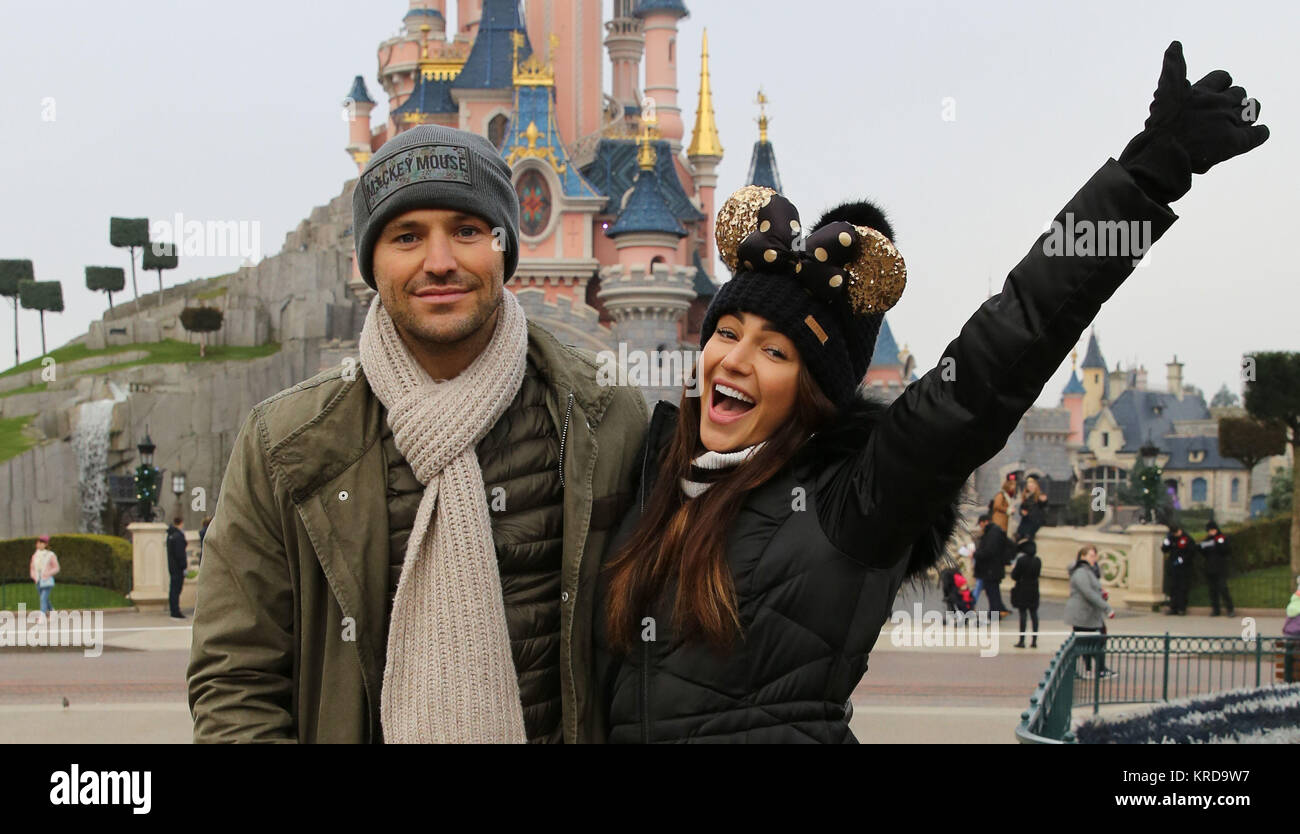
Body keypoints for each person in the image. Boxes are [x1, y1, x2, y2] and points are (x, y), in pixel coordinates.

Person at [595, 42, 1265, 742]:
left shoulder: (850, 501)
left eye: (775, 349)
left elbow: (998, 353)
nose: (734, 360)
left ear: (813, 389)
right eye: (726, 331)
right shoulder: (655, 472)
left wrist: (1143, 180)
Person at [187, 125, 648, 743]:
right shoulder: (286, 446)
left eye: (466, 230)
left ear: (505, 247)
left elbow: (659, 658)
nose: (440, 262)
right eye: (407, 236)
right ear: (368, 262)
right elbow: (235, 679)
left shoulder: (606, 420)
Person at [1064, 545, 1116, 679]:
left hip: (1089, 613)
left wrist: (1101, 594)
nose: (1094, 559)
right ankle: (1092, 669)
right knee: (1090, 642)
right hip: (1083, 614)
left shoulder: (1089, 571)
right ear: (1083, 557)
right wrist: (1107, 607)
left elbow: (1093, 590)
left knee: (1090, 641)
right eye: (1091, 556)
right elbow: (1088, 592)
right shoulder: (1081, 572)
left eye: (1095, 556)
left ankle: (1092, 669)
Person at [972, 513, 1012, 617]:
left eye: (981, 523)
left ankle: (995, 614)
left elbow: (989, 551)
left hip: (991, 569)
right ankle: (999, 610)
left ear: (985, 522)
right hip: (993, 568)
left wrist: (975, 554)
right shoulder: (995, 531)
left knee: (992, 592)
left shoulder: (992, 533)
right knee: (994, 590)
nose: (980, 526)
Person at [1199, 520, 1234, 616]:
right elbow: (1202, 550)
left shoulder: (1221, 538)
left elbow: (1226, 550)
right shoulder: (1207, 540)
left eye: (1211, 530)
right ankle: (1216, 609)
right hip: (1210, 568)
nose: (1210, 533)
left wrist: (1217, 544)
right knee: (1212, 590)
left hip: (1220, 567)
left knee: (1223, 589)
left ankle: (1230, 609)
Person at [1010, 539, 1041, 648]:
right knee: (1034, 614)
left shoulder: (1022, 560)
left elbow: (1014, 576)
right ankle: (1034, 640)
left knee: (1023, 614)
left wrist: (1014, 570)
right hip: (1034, 589)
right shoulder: (1038, 560)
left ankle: (1022, 640)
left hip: (1022, 588)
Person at [1162, 524, 1196, 615]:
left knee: (1182, 588)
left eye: (1176, 532)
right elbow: (1164, 549)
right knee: (1173, 588)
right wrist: (1166, 543)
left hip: (1184, 568)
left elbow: (1191, 552)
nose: (1175, 535)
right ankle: (1173, 608)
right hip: (1173, 566)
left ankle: (1182, 608)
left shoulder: (1187, 539)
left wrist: (1182, 560)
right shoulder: (1171, 538)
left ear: (1180, 530)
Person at [28, 534, 60, 616]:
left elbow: (56, 568)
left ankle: (42, 616)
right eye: (39, 543)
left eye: (42, 543)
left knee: (43, 598)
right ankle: (52, 611)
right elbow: (32, 568)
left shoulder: (50, 555)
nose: (39, 544)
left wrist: (48, 574)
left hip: (47, 580)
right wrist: (33, 576)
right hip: (38, 581)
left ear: (46, 544)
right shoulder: (35, 556)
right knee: (45, 599)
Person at [1015, 474, 1050, 543]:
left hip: (1034, 520)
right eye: (1029, 486)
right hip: (1026, 520)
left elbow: (1043, 505)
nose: (1030, 487)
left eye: (1032, 485)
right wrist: (1022, 512)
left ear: (1035, 486)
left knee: (1027, 536)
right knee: (1018, 535)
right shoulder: (1025, 496)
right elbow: (1021, 508)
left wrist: (1044, 501)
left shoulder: (1038, 495)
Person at [166, 518, 189, 619]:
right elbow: (180, 554)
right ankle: (175, 610)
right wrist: (183, 566)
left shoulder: (170, 535)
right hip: (178, 567)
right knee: (176, 589)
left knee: (173, 589)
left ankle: (173, 609)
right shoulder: (178, 536)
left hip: (172, 566)